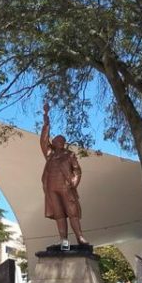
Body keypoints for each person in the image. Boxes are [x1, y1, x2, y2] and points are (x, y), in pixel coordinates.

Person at [40, 102, 88, 246]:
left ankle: (80, 237)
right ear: (54, 143)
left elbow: (77, 170)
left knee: (72, 212)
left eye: (62, 141)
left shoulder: (69, 155)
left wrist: (73, 182)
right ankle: (64, 241)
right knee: (59, 214)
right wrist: (46, 120)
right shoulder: (50, 155)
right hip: (51, 187)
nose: (60, 142)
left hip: (65, 186)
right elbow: (43, 141)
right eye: (57, 141)